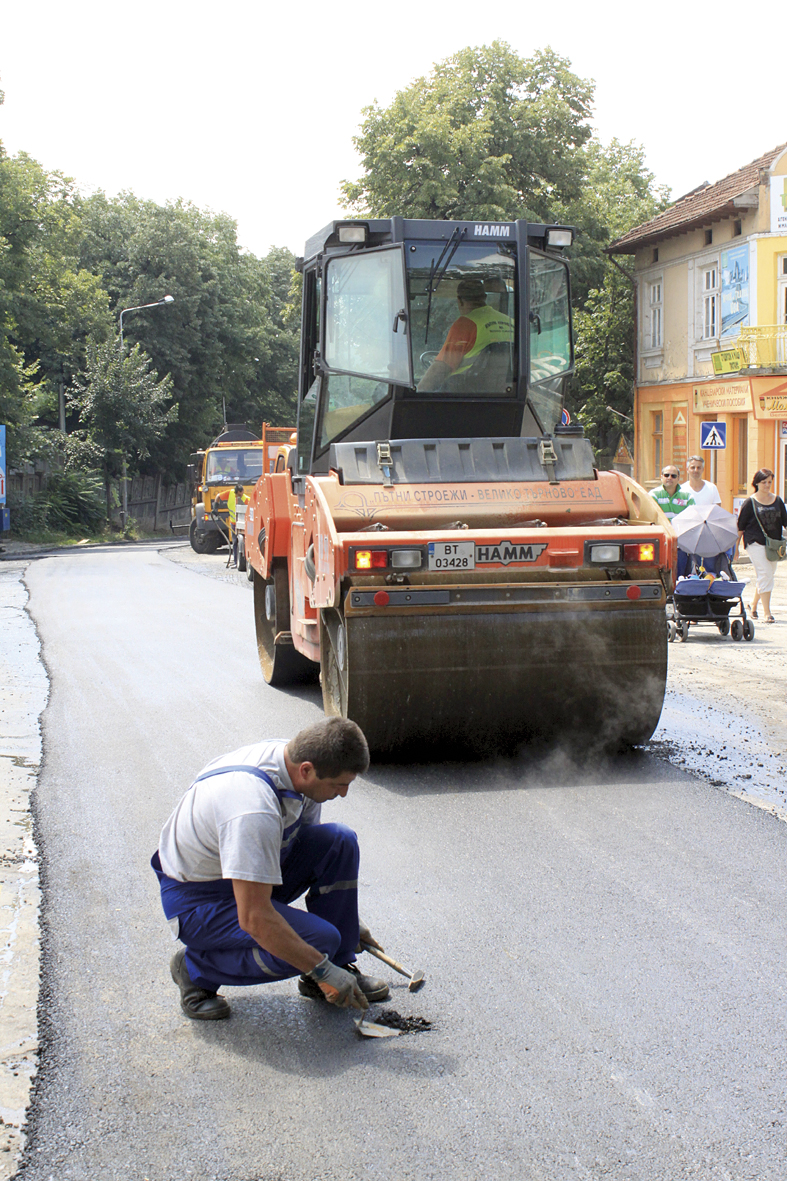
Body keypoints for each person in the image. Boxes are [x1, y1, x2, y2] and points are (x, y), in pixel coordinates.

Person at [151, 717, 389, 1020]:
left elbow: (306, 847)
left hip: (246, 872)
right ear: (307, 770)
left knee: (338, 841)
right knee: (319, 942)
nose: (343, 793)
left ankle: (337, 970)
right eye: (338, 785)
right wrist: (318, 964)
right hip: (199, 901)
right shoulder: (253, 807)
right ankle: (196, 969)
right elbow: (254, 918)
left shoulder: (296, 766)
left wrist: (348, 921)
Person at [418, 277, 514, 392]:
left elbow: (440, 369)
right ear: (484, 297)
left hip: (463, 393)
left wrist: (419, 391)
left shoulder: (465, 324)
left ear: (459, 300)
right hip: (500, 392)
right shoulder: (511, 322)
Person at [734, 469, 787, 623]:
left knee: (769, 574)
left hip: (774, 544)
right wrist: (736, 548)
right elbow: (740, 526)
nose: (767, 485)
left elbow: (785, 521)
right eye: (764, 482)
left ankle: (753, 604)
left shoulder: (777, 500)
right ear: (756, 483)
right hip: (754, 542)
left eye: (769, 482)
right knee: (765, 574)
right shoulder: (750, 502)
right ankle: (767, 612)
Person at [650, 465, 694, 577]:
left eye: (673, 476)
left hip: (681, 544)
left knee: (680, 576)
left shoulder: (687, 497)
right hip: (661, 543)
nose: (669, 478)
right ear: (661, 477)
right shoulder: (653, 495)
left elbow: (692, 517)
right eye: (666, 475)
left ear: (679, 478)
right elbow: (652, 518)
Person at [228, 483, 249, 566]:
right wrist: (216, 506)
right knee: (235, 542)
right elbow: (218, 496)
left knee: (241, 542)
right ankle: (236, 561)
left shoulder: (247, 499)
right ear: (235, 493)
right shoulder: (230, 494)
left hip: (243, 525)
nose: (240, 496)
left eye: (241, 494)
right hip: (233, 523)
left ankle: (241, 560)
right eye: (238, 494)